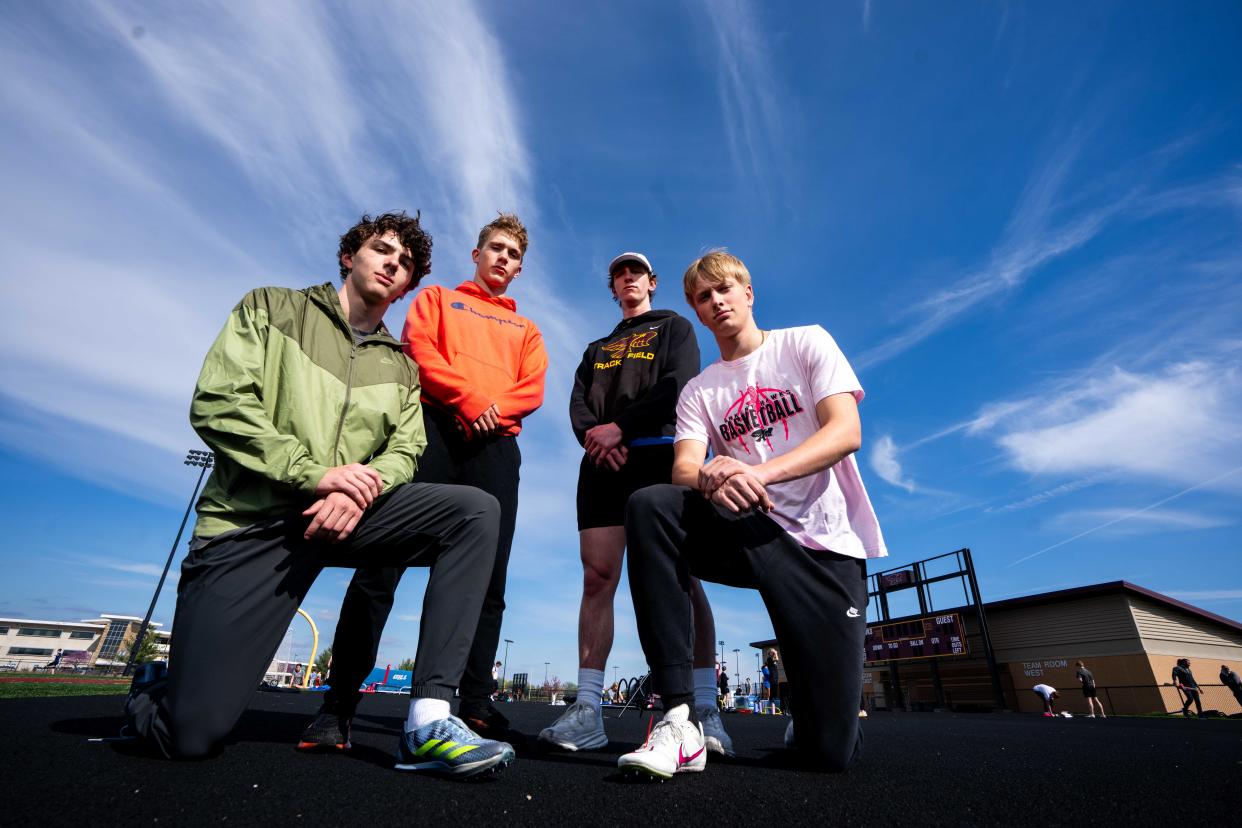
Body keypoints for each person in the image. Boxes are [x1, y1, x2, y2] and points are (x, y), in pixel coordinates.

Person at [124, 212, 514, 777]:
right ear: (349, 255)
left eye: (405, 263)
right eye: (382, 249)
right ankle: (154, 690)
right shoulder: (271, 307)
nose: (392, 264)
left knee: (475, 511)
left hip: (351, 517)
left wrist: (359, 490)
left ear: (408, 285)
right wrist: (314, 474)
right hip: (252, 523)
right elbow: (218, 402)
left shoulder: (402, 368)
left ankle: (429, 718)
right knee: (188, 734)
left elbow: (404, 450)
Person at [617, 250, 887, 779]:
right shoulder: (699, 389)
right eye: (702, 296)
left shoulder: (805, 341)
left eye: (724, 289)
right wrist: (715, 473)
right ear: (695, 310)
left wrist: (754, 473)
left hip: (822, 547)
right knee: (651, 505)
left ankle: (812, 716)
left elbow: (844, 432)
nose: (715, 301)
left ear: (748, 293)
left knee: (828, 754)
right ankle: (679, 719)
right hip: (749, 532)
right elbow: (683, 470)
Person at [301, 213, 547, 750]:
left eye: (513, 254)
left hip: (495, 446)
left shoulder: (527, 330)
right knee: (378, 567)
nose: (503, 258)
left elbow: (532, 389)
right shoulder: (436, 299)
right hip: (434, 430)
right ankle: (338, 704)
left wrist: (492, 410)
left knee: (490, 580)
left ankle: (474, 705)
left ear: (519, 269)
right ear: (477, 255)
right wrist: (471, 400)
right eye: (496, 248)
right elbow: (421, 353)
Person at [539, 252, 733, 756]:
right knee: (597, 578)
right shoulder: (596, 347)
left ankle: (704, 708)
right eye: (619, 274)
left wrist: (621, 427)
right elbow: (578, 402)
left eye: (636, 273)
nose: (628, 279)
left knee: (680, 578)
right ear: (614, 288)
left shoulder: (674, 326)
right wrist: (595, 437)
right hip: (602, 463)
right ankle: (587, 708)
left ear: (651, 282)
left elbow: (679, 385)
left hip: (658, 456)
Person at [764, 649, 782, 714]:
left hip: (776, 677)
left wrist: (775, 653)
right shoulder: (769, 659)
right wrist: (776, 652)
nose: (774, 653)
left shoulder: (774, 660)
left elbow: (777, 660)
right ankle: (771, 707)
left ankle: (774, 707)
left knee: (775, 691)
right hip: (772, 677)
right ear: (770, 653)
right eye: (772, 652)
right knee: (772, 692)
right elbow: (776, 659)